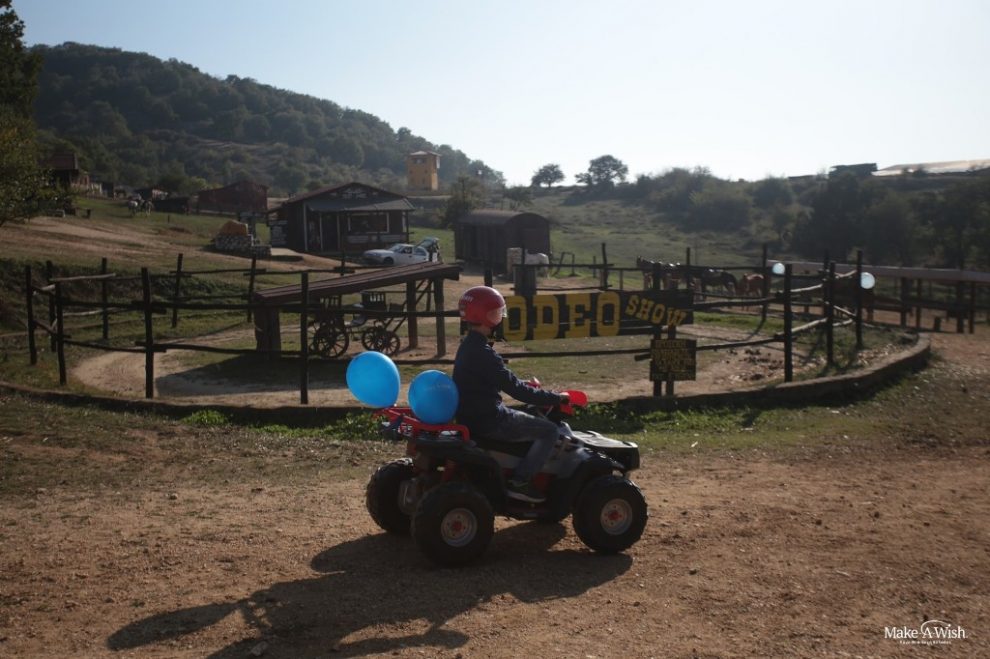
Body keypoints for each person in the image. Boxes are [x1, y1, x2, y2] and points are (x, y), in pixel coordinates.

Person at [452, 286, 569, 503]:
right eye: (497, 313)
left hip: (470, 417)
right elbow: (517, 391)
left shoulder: (466, 346)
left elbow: (497, 380)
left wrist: (522, 384)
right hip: (491, 421)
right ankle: (521, 481)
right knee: (550, 431)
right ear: (486, 316)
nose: (500, 318)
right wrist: (556, 397)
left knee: (527, 416)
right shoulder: (485, 353)